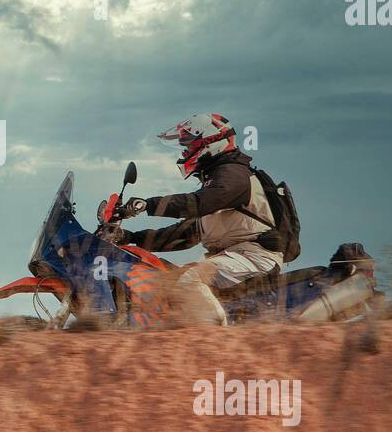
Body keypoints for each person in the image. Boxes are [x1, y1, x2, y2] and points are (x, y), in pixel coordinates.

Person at [111, 112, 289, 325]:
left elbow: (198, 203)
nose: (185, 151)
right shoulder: (216, 182)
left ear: (211, 142)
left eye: (189, 145)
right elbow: (185, 234)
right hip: (232, 257)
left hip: (256, 257)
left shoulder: (234, 176)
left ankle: (213, 336)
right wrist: (130, 237)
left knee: (191, 279)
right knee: (167, 278)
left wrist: (148, 204)